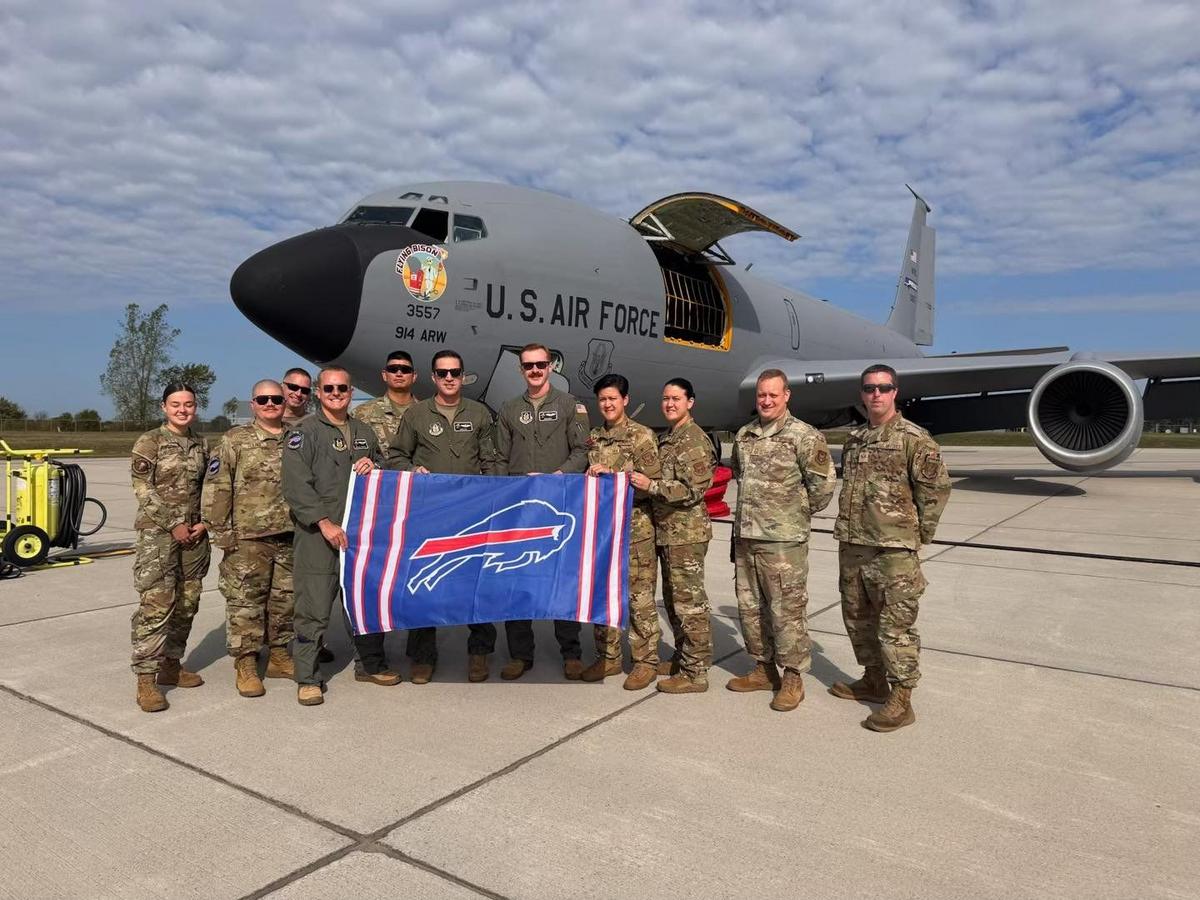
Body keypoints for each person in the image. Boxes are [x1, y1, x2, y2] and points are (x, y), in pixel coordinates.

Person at [831, 364, 952, 732]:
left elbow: (935, 491)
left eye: (884, 388)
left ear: (895, 392)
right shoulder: (855, 441)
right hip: (854, 546)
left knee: (895, 628)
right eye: (869, 388)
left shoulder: (914, 439)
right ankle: (873, 679)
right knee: (857, 619)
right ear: (862, 394)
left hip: (893, 552)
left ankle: (901, 698)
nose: (876, 394)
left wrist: (916, 536)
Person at [282, 366, 398, 707]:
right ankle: (307, 677)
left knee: (363, 604)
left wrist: (373, 465)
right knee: (314, 608)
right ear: (318, 393)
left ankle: (370, 665)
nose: (336, 394)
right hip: (319, 534)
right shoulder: (303, 433)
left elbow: (382, 468)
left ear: (350, 391)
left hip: (359, 535)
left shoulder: (364, 431)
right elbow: (296, 484)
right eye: (329, 389)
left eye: (342, 389)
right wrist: (323, 522)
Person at [387, 349, 499, 684]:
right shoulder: (417, 415)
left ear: (462, 376)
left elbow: (491, 461)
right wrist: (411, 469)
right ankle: (423, 657)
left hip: (472, 517)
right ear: (434, 377)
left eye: (454, 372)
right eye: (442, 373)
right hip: (430, 517)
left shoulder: (479, 414)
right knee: (425, 586)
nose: (449, 378)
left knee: (476, 585)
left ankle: (479, 654)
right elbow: (395, 456)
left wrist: (494, 497)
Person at [726, 369, 836, 711]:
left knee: (787, 610)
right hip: (746, 538)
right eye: (762, 395)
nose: (767, 400)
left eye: (773, 394)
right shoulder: (745, 435)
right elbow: (739, 475)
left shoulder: (803, 436)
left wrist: (792, 515)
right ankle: (762, 668)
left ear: (786, 395)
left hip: (783, 542)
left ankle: (792, 676)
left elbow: (823, 486)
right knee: (751, 608)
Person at [494, 343, 590, 681]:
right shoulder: (508, 409)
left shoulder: (570, 406)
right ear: (521, 370)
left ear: (551, 366)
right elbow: (499, 459)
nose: (535, 370)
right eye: (528, 366)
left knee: (562, 582)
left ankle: (571, 653)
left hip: (559, 506)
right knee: (516, 581)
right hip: (519, 511)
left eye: (540, 364)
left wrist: (556, 478)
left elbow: (581, 452)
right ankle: (520, 655)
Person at [201, 380, 295, 698]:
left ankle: (279, 655)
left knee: (284, 600)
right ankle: (246, 663)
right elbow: (216, 486)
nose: (271, 403)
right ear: (253, 404)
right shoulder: (235, 440)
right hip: (248, 538)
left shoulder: (297, 437)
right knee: (245, 603)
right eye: (263, 399)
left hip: (290, 534)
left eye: (276, 399)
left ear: (285, 402)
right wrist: (222, 533)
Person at [129, 382, 210, 713]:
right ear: (164, 407)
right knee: (156, 605)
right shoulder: (150, 442)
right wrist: (172, 523)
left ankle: (171, 665)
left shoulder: (200, 443)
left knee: (187, 603)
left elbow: (209, 486)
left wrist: (204, 521)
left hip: (194, 535)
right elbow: (143, 490)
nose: (182, 409)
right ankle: (146, 679)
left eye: (188, 404)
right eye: (175, 404)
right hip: (159, 536)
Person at [582, 374, 663, 690]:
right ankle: (608, 657)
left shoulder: (641, 437)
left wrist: (615, 475)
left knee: (639, 598)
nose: (607, 404)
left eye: (613, 398)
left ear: (625, 400)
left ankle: (646, 661)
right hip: (603, 532)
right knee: (603, 595)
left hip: (635, 530)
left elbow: (652, 483)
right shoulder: (594, 438)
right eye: (602, 399)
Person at [637, 377, 715, 694]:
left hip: (686, 534)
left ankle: (696, 673)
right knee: (673, 601)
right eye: (666, 398)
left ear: (690, 402)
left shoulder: (693, 440)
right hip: (669, 533)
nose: (670, 404)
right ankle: (683, 659)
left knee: (689, 604)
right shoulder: (670, 438)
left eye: (676, 399)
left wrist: (650, 486)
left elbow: (693, 490)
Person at [352, 350, 419, 449]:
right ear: (384, 375)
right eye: (393, 369)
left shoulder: (426, 413)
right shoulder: (361, 413)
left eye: (405, 370)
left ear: (414, 376)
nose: (399, 373)